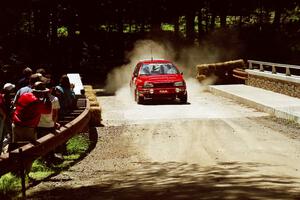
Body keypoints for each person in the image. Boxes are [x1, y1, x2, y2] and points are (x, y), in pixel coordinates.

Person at [10, 81, 52, 151]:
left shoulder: (24, 95)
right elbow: (48, 111)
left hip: (16, 125)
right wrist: (47, 97)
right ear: (41, 92)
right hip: (27, 128)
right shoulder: (36, 101)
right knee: (29, 150)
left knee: (16, 149)